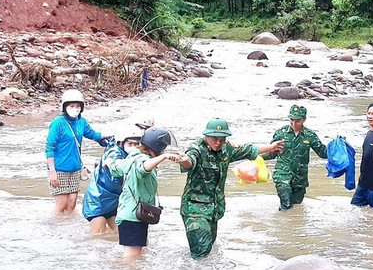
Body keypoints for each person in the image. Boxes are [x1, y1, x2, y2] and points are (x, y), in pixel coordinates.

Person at [175, 118, 283, 259]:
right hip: (194, 209)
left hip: (214, 209)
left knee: (209, 247)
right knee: (201, 251)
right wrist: (185, 161)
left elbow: (247, 150)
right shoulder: (196, 148)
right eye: (215, 139)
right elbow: (190, 161)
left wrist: (271, 148)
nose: (218, 143)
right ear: (206, 136)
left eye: (222, 139)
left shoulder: (226, 148)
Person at [109, 127, 180, 261]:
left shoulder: (133, 157)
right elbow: (143, 167)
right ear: (157, 147)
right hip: (132, 216)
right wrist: (164, 157)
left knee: (137, 253)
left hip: (132, 214)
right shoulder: (141, 160)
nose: (163, 151)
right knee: (131, 258)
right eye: (163, 149)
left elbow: (116, 168)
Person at [81, 117, 153, 236]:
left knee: (121, 233)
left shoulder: (127, 150)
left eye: (136, 144)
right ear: (121, 142)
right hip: (98, 196)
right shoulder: (114, 153)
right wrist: (110, 163)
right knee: (99, 234)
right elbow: (118, 168)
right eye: (130, 144)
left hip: (116, 197)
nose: (133, 146)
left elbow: (104, 140)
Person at [45, 89, 110, 214]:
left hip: (75, 168)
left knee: (72, 202)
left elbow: (93, 135)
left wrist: (113, 135)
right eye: (71, 106)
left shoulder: (81, 121)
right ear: (65, 107)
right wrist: (52, 172)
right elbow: (50, 147)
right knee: (61, 205)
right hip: (59, 169)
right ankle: (53, 225)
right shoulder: (58, 122)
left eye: (78, 106)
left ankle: (68, 225)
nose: (75, 109)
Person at [263, 105, 327, 211]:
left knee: (296, 207)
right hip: (283, 174)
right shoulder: (281, 133)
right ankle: (283, 220)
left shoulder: (310, 135)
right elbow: (272, 153)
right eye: (291, 120)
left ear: (304, 119)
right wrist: (256, 156)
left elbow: (323, 153)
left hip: (300, 178)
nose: (294, 123)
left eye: (298, 121)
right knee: (287, 205)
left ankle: (289, 222)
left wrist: (338, 150)